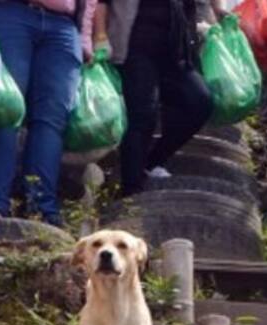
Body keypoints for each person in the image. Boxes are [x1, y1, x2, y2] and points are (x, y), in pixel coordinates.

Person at [0, 0, 84, 226]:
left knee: (52, 120)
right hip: (8, 12)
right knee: (4, 109)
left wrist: (85, 36)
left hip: (64, 24)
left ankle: (41, 209)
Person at [90, 0, 216, 197]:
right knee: (142, 114)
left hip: (174, 52)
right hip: (134, 49)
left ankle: (151, 162)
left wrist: (203, 29)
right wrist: (100, 35)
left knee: (200, 102)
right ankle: (131, 191)